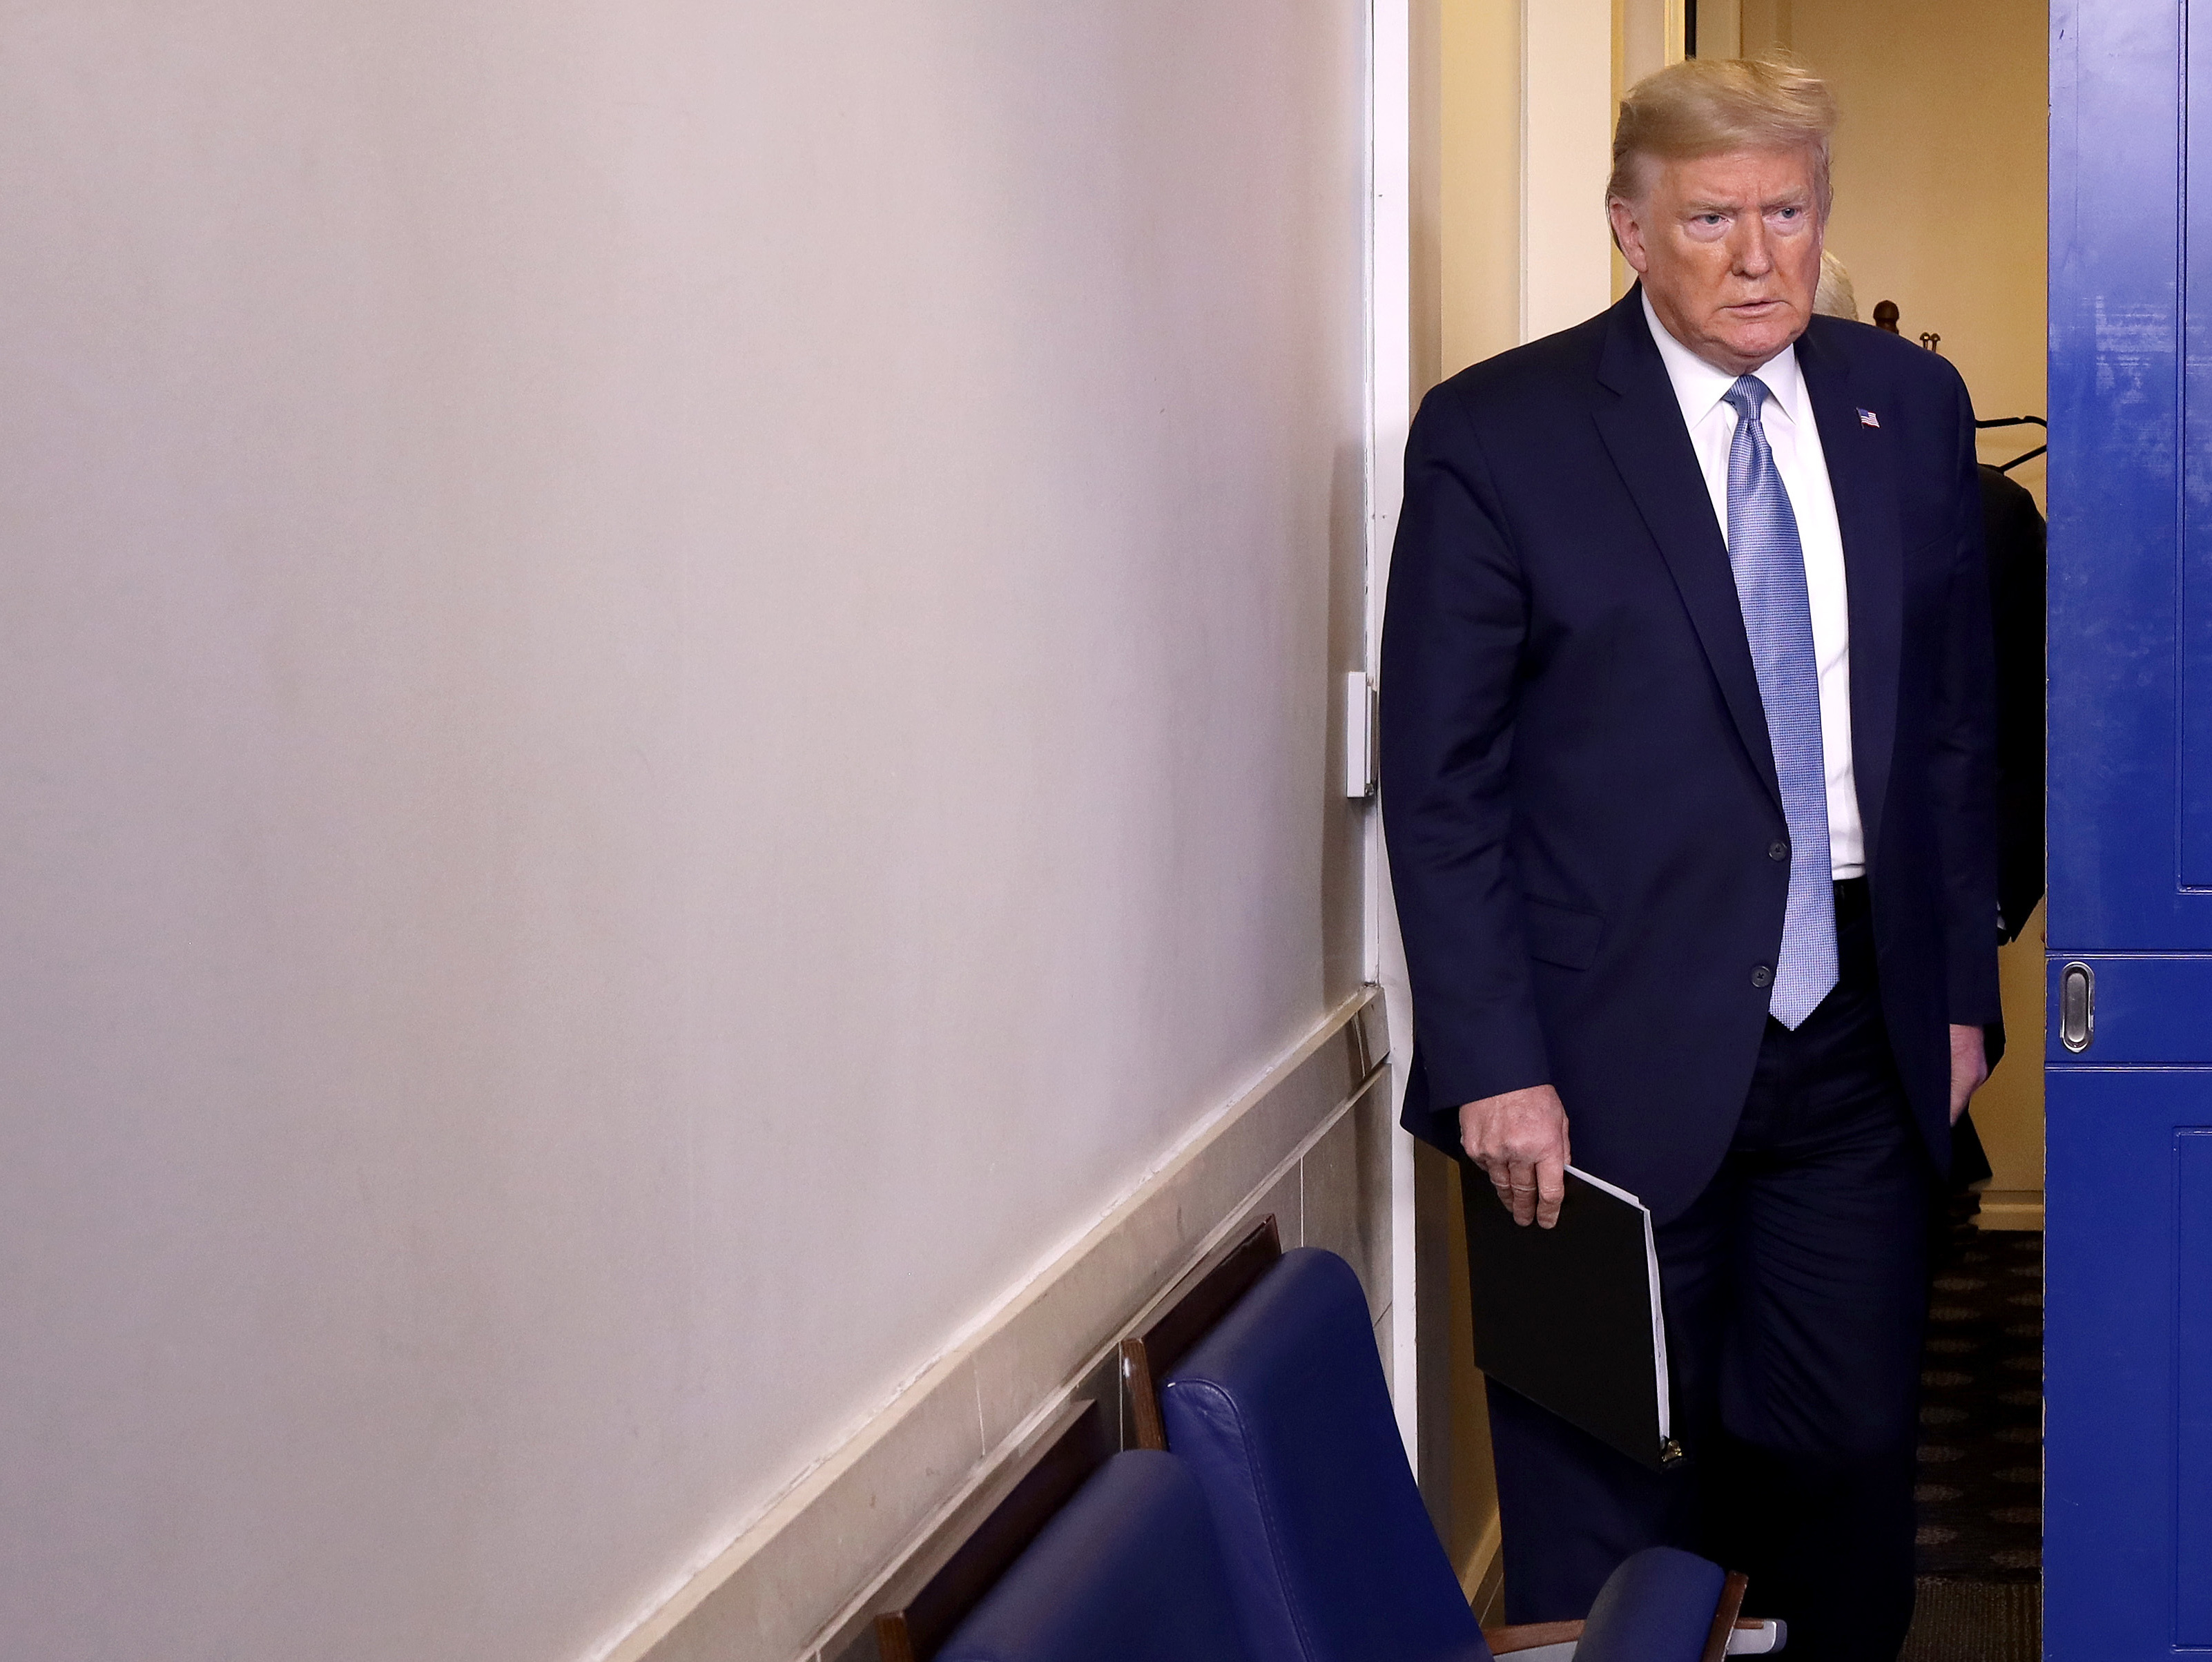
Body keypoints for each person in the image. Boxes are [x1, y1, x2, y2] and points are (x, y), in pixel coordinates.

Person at [1379, 56, 1999, 1662]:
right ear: (1627, 227)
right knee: (1606, 1485)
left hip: (1858, 1031)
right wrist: (1494, 1062)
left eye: (1787, 213)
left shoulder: (1905, 408)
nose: (1755, 255)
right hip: (1588, 1070)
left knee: (1847, 1462)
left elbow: (1947, 728)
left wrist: (1958, 994)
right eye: (1712, 216)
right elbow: (1444, 787)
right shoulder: (1499, 436)